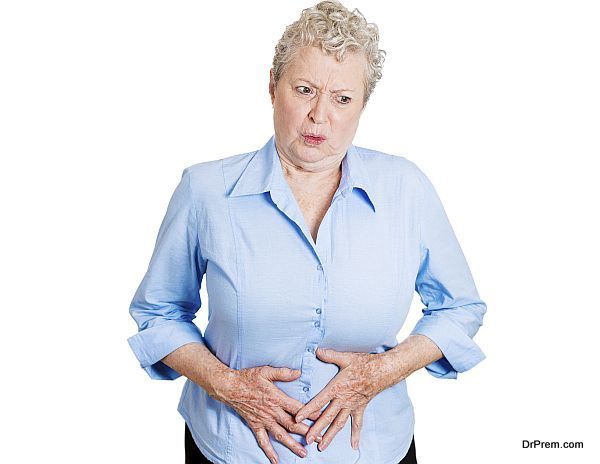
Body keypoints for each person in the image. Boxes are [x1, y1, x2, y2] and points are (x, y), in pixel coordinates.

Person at [126, 1, 487, 463]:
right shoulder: (205, 191)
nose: (320, 115)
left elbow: (459, 309)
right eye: (304, 89)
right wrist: (229, 386)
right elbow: (158, 314)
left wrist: (381, 372)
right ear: (272, 87)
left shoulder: (406, 188)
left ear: (362, 105)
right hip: (234, 449)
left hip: (373, 450)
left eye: (342, 98)